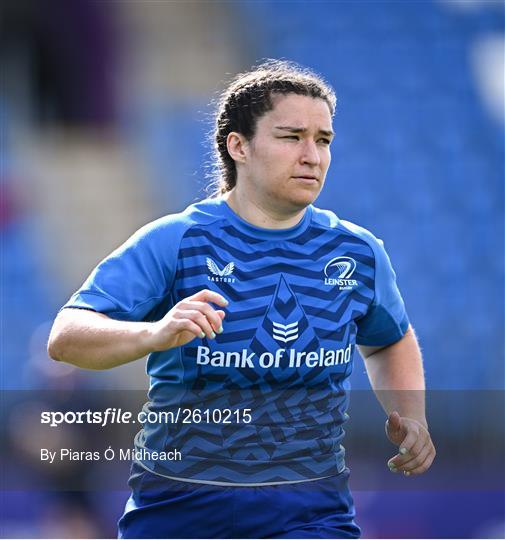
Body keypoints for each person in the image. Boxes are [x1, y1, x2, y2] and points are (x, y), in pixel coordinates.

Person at [48, 59, 436, 539]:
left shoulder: (356, 251)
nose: (312, 155)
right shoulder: (177, 240)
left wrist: (412, 414)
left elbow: (387, 340)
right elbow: (66, 337)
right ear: (239, 146)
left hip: (312, 516)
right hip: (179, 512)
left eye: (323, 140)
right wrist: (153, 333)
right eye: (292, 137)